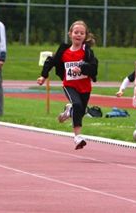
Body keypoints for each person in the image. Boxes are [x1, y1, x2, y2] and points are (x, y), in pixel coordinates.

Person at [37, 20, 98, 150]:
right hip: (69, 85)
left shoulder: (87, 51)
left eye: (82, 33)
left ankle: (68, 112)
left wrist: (82, 69)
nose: (78, 35)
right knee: (77, 105)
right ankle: (77, 137)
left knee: (80, 111)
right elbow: (51, 61)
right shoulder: (64, 50)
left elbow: (94, 67)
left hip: (85, 87)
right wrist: (43, 75)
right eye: (76, 32)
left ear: (85, 36)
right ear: (70, 34)